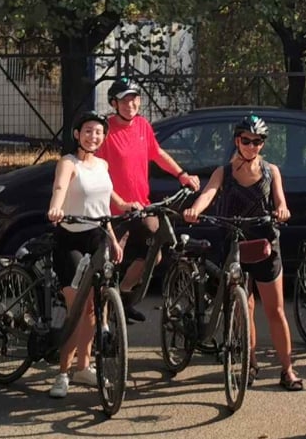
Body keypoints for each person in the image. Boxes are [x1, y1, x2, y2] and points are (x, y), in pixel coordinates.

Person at [184, 115, 303, 390]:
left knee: (275, 310)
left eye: (257, 141)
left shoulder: (271, 171)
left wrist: (282, 211)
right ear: (238, 141)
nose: (252, 146)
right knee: (244, 308)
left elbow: (281, 202)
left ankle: (287, 370)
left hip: (264, 245)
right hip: (233, 243)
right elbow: (207, 194)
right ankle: (249, 362)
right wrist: (195, 210)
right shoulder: (223, 172)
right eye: (247, 141)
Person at [94, 77, 200, 323]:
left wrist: (182, 175)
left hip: (142, 206)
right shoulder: (105, 131)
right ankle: (102, 322)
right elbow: (97, 171)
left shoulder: (142, 126)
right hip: (114, 210)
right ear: (114, 103)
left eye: (134, 98)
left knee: (155, 252)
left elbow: (158, 154)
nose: (131, 104)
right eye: (124, 100)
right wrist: (117, 202)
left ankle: (123, 297)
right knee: (109, 263)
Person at [45, 112, 130, 399]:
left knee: (95, 307)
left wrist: (115, 239)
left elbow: (104, 204)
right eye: (88, 131)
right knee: (78, 308)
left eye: (98, 132)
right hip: (70, 237)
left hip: (97, 235)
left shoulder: (103, 164)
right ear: (77, 133)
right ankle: (62, 373)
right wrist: (56, 207)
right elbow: (60, 188)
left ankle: (84, 367)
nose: (93, 136)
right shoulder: (69, 163)